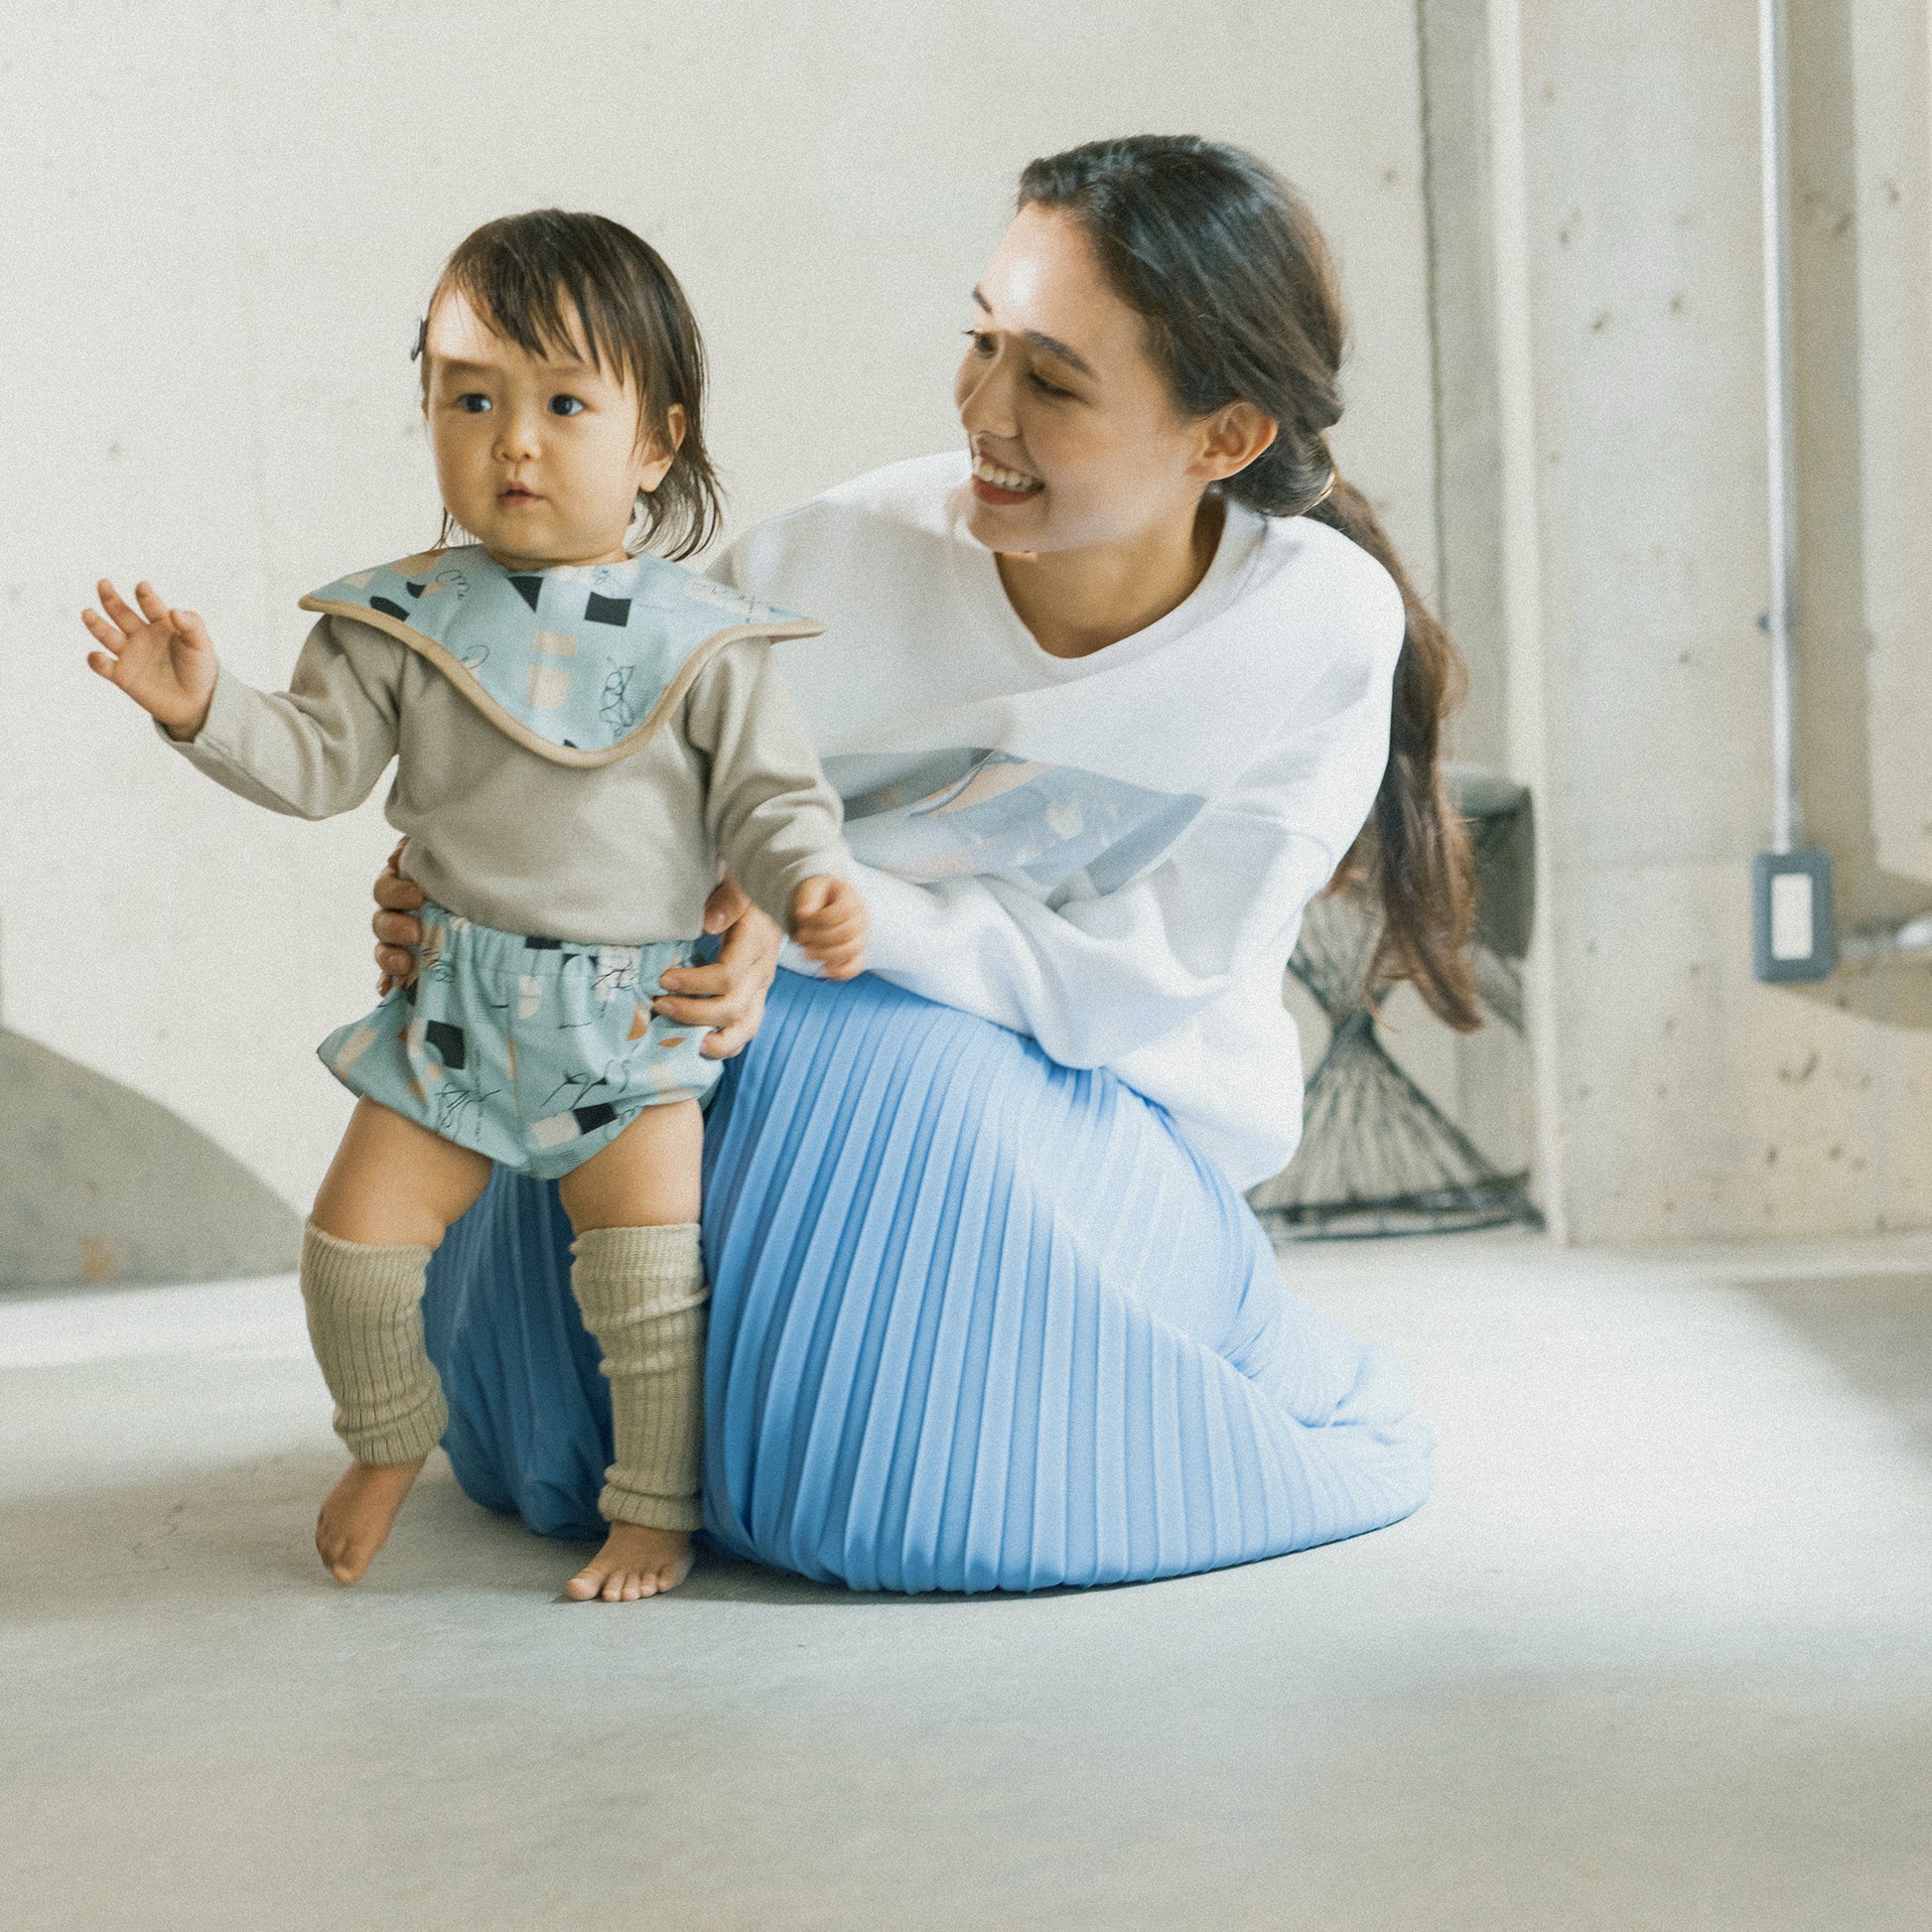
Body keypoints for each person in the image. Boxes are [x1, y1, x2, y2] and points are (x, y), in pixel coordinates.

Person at [376, 136, 1480, 1593]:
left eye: (1054, 379)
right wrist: (462, 895)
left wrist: (825, 910)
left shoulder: (1312, 629)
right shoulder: (815, 570)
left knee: (885, 1089)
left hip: (1103, 1117)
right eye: (979, 340)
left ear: (1221, 436)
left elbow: (1127, 990)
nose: (982, 410)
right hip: (733, 1058)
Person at [82, 209, 868, 1601]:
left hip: (632, 1027)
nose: (513, 440)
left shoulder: (703, 642)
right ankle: (388, 1437)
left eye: (565, 402)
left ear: (656, 438)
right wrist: (205, 707)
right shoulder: (400, 619)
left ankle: (651, 1510)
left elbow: (771, 796)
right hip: (451, 1013)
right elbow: (318, 762)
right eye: (470, 398)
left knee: (647, 1299)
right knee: (350, 1261)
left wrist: (806, 878)